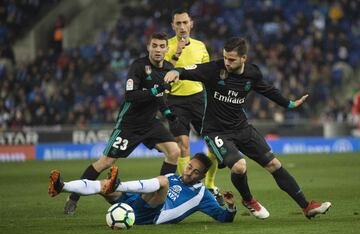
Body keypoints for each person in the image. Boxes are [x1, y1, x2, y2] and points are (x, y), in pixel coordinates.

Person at [164, 37, 332, 219]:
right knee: (239, 166)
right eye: (225, 58)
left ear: (244, 58)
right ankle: (248, 199)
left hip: (242, 128)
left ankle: (307, 206)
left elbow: (268, 90)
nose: (227, 63)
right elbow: (189, 70)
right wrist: (175, 71)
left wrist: (290, 104)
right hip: (216, 131)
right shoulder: (214, 69)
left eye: (232, 59)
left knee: (274, 164)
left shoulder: (252, 74)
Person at [64, 32, 180, 215]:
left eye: (161, 46)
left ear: (166, 49)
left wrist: (167, 113)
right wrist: (157, 89)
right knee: (106, 162)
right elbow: (130, 95)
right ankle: (73, 197)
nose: (158, 49)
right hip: (129, 124)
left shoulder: (167, 69)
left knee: (174, 152)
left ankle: (162, 197)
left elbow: (159, 97)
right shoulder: (138, 66)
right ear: (148, 47)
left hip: (150, 123)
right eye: (154, 46)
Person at [49, 153, 237, 224]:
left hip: (152, 216)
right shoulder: (175, 176)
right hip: (135, 202)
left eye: (195, 172)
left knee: (163, 182)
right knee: (103, 187)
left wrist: (230, 207)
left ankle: (119, 184)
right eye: (189, 167)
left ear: (202, 177)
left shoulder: (202, 194)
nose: (188, 173)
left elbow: (223, 218)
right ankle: (62, 187)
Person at [164, 8, 223, 204]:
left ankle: (209, 184)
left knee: (212, 145)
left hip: (198, 99)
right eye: (178, 23)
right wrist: (177, 53)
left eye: (184, 23)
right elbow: (162, 76)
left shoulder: (200, 47)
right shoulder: (166, 47)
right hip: (175, 101)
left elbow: (208, 75)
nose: (182, 27)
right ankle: (188, 188)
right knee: (183, 145)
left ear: (191, 24)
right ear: (173, 26)